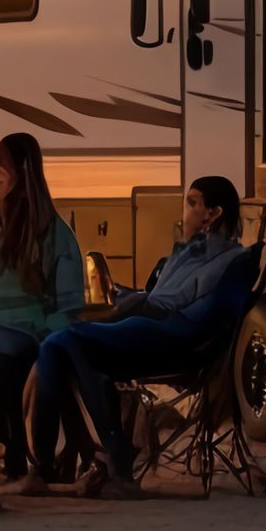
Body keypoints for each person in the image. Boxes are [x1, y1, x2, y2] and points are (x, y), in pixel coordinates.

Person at [21, 175, 247, 500]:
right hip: (159, 325)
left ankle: (92, 458)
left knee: (65, 341)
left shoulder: (225, 257)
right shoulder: (195, 250)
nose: (185, 211)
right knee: (61, 346)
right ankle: (87, 456)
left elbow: (172, 299)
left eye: (192, 203)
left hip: (173, 335)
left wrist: (132, 302)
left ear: (214, 213)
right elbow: (165, 293)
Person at [0, 133, 83, 479]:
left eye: (2, 168)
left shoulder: (53, 233)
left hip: (33, 333)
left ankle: (17, 455)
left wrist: (52, 346)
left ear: (23, 174)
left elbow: (68, 303)